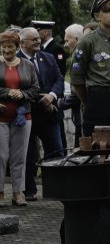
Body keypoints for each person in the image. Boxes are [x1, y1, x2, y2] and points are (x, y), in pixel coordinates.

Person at [69, 0, 110, 138]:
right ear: (97, 16)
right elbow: (76, 79)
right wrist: (88, 101)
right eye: (107, 10)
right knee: (99, 146)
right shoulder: (87, 42)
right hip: (98, 99)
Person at [17, 27, 64, 202]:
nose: (38, 41)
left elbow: (59, 79)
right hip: (27, 115)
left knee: (56, 152)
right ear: (22, 43)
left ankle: (57, 189)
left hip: (49, 115)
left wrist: (51, 96)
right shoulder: (16, 61)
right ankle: (30, 190)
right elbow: (19, 87)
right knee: (28, 156)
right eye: (33, 39)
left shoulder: (48, 57)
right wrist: (41, 99)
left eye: (38, 38)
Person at [0, 31, 40, 207]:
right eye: (3, 46)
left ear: (17, 47)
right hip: (1, 118)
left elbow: (35, 88)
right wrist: (8, 92)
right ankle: (0, 192)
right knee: (1, 156)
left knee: (20, 157)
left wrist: (22, 94)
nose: (6, 50)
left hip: (23, 117)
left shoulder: (28, 65)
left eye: (10, 46)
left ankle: (18, 192)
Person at [62, 23, 84, 146]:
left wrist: (62, 103)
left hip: (82, 110)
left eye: (67, 40)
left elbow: (79, 87)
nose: (65, 44)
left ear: (76, 39)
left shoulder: (79, 55)